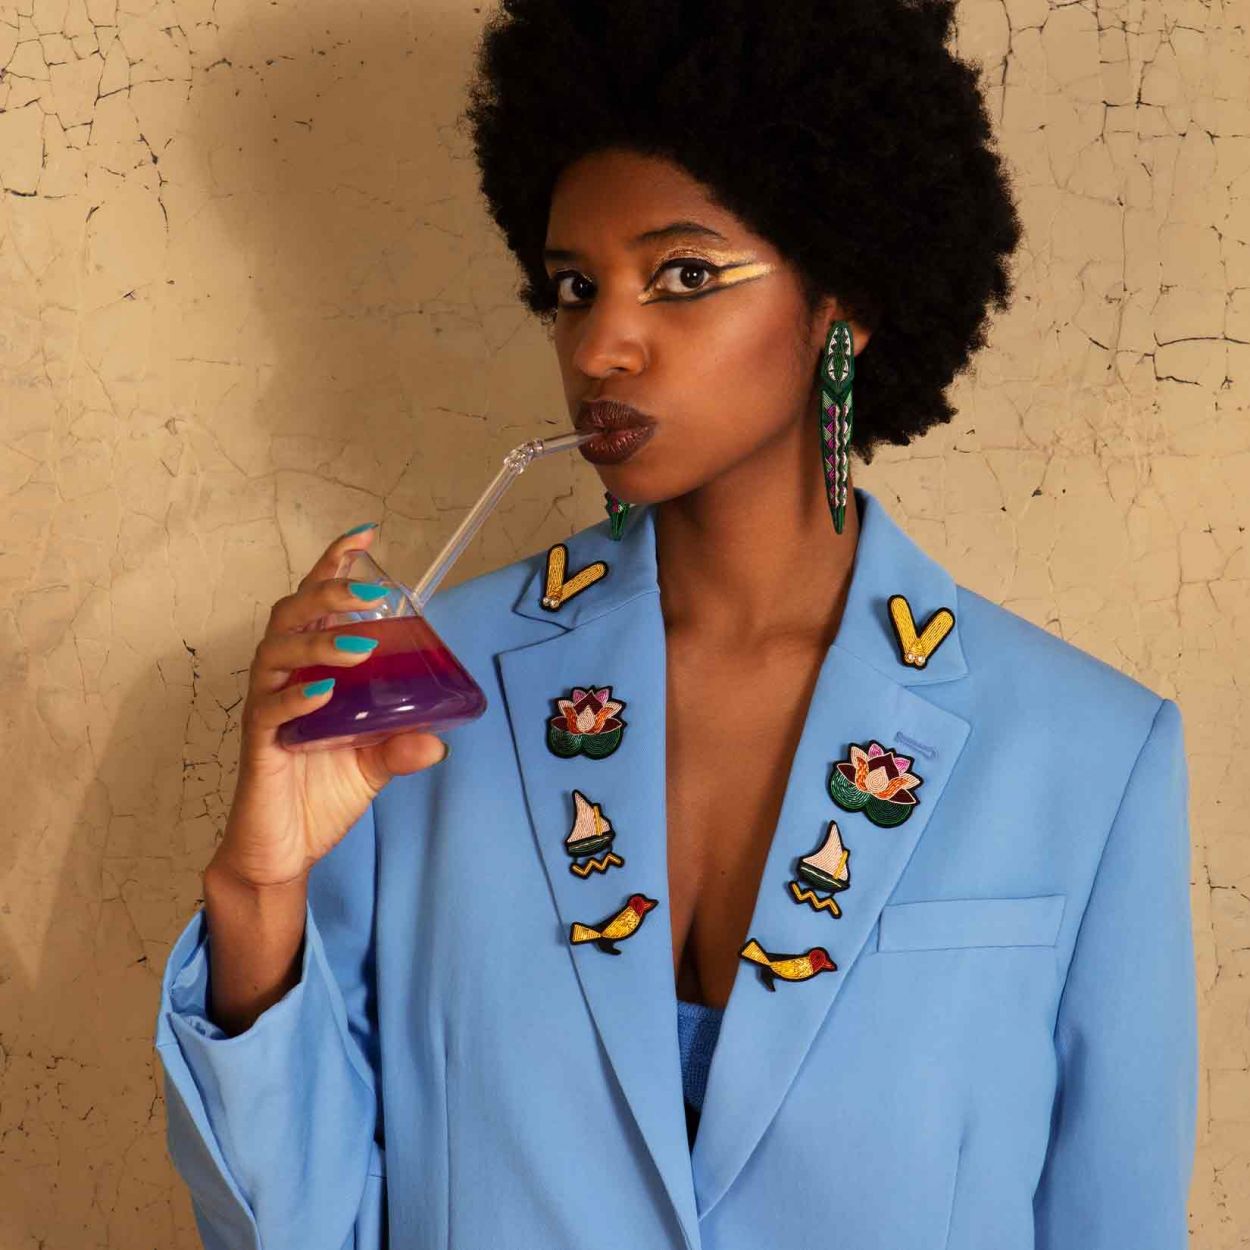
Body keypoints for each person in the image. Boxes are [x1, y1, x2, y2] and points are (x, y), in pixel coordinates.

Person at [154, 2, 1199, 1248]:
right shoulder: (421, 702)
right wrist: (260, 888)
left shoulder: (1086, 754)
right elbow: (300, 1225)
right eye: (571, 287)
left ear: (843, 301)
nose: (600, 344)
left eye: (684, 276)